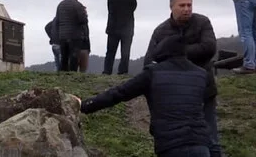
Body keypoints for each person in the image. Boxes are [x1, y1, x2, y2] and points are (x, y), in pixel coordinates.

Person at [82, 34, 211, 157]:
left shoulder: (153, 73)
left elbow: (119, 93)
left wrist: (86, 105)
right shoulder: (201, 75)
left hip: (171, 145)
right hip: (201, 145)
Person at [144, 0, 220, 157]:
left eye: (189, 5)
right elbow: (149, 60)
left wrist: (177, 52)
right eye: (182, 5)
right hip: (174, 95)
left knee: (211, 138)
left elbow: (209, 47)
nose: (187, 9)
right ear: (172, 6)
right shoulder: (160, 31)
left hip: (203, 90)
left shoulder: (202, 23)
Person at [103, 0, 137, 75]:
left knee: (110, 52)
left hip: (113, 27)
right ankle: (122, 71)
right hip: (127, 28)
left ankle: (107, 70)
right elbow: (133, 8)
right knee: (125, 52)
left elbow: (109, 8)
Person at [55, 0, 89, 72]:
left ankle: (63, 76)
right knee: (74, 58)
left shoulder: (60, 5)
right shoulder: (78, 5)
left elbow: (57, 21)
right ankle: (72, 77)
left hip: (62, 36)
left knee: (64, 59)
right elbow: (84, 20)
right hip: (75, 36)